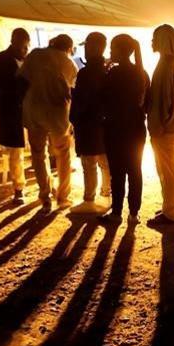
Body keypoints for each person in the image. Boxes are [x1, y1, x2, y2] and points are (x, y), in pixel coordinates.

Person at [20, 34, 78, 212]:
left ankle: (45, 195)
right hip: (57, 114)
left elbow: (21, 79)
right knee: (63, 155)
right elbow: (72, 90)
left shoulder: (35, 54)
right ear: (69, 48)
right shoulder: (69, 64)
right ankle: (63, 197)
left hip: (33, 110)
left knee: (38, 154)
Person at [98, 34, 150, 226]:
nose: (110, 53)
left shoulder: (113, 74)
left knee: (117, 172)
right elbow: (147, 102)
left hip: (115, 128)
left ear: (121, 51)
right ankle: (134, 213)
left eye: (112, 49)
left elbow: (102, 98)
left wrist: (105, 69)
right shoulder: (141, 72)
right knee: (135, 170)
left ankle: (117, 212)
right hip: (136, 127)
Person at [145, 24, 174, 227]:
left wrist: (159, 124)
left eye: (155, 38)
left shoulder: (165, 66)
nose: (152, 42)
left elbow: (164, 99)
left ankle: (170, 212)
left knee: (166, 170)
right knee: (173, 168)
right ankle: (173, 206)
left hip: (164, 127)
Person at [0, 28, 31, 203]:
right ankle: (18, 188)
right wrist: (16, 86)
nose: (24, 50)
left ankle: (45, 187)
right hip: (11, 111)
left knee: (38, 150)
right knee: (15, 152)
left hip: (32, 111)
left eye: (26, 47)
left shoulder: (30, 60)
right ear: (13, 41)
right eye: (21, 46)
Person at [69, 31, 111, 215]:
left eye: (86, 46)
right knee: (105, 160)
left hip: (87, 122)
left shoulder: (86, 73)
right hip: (104, 123)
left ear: (94, 47)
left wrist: (74, 115)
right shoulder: (107, 70)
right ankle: (106, 194)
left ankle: (89, 198)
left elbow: (83, 100)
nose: (85, 50)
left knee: (89, 163)